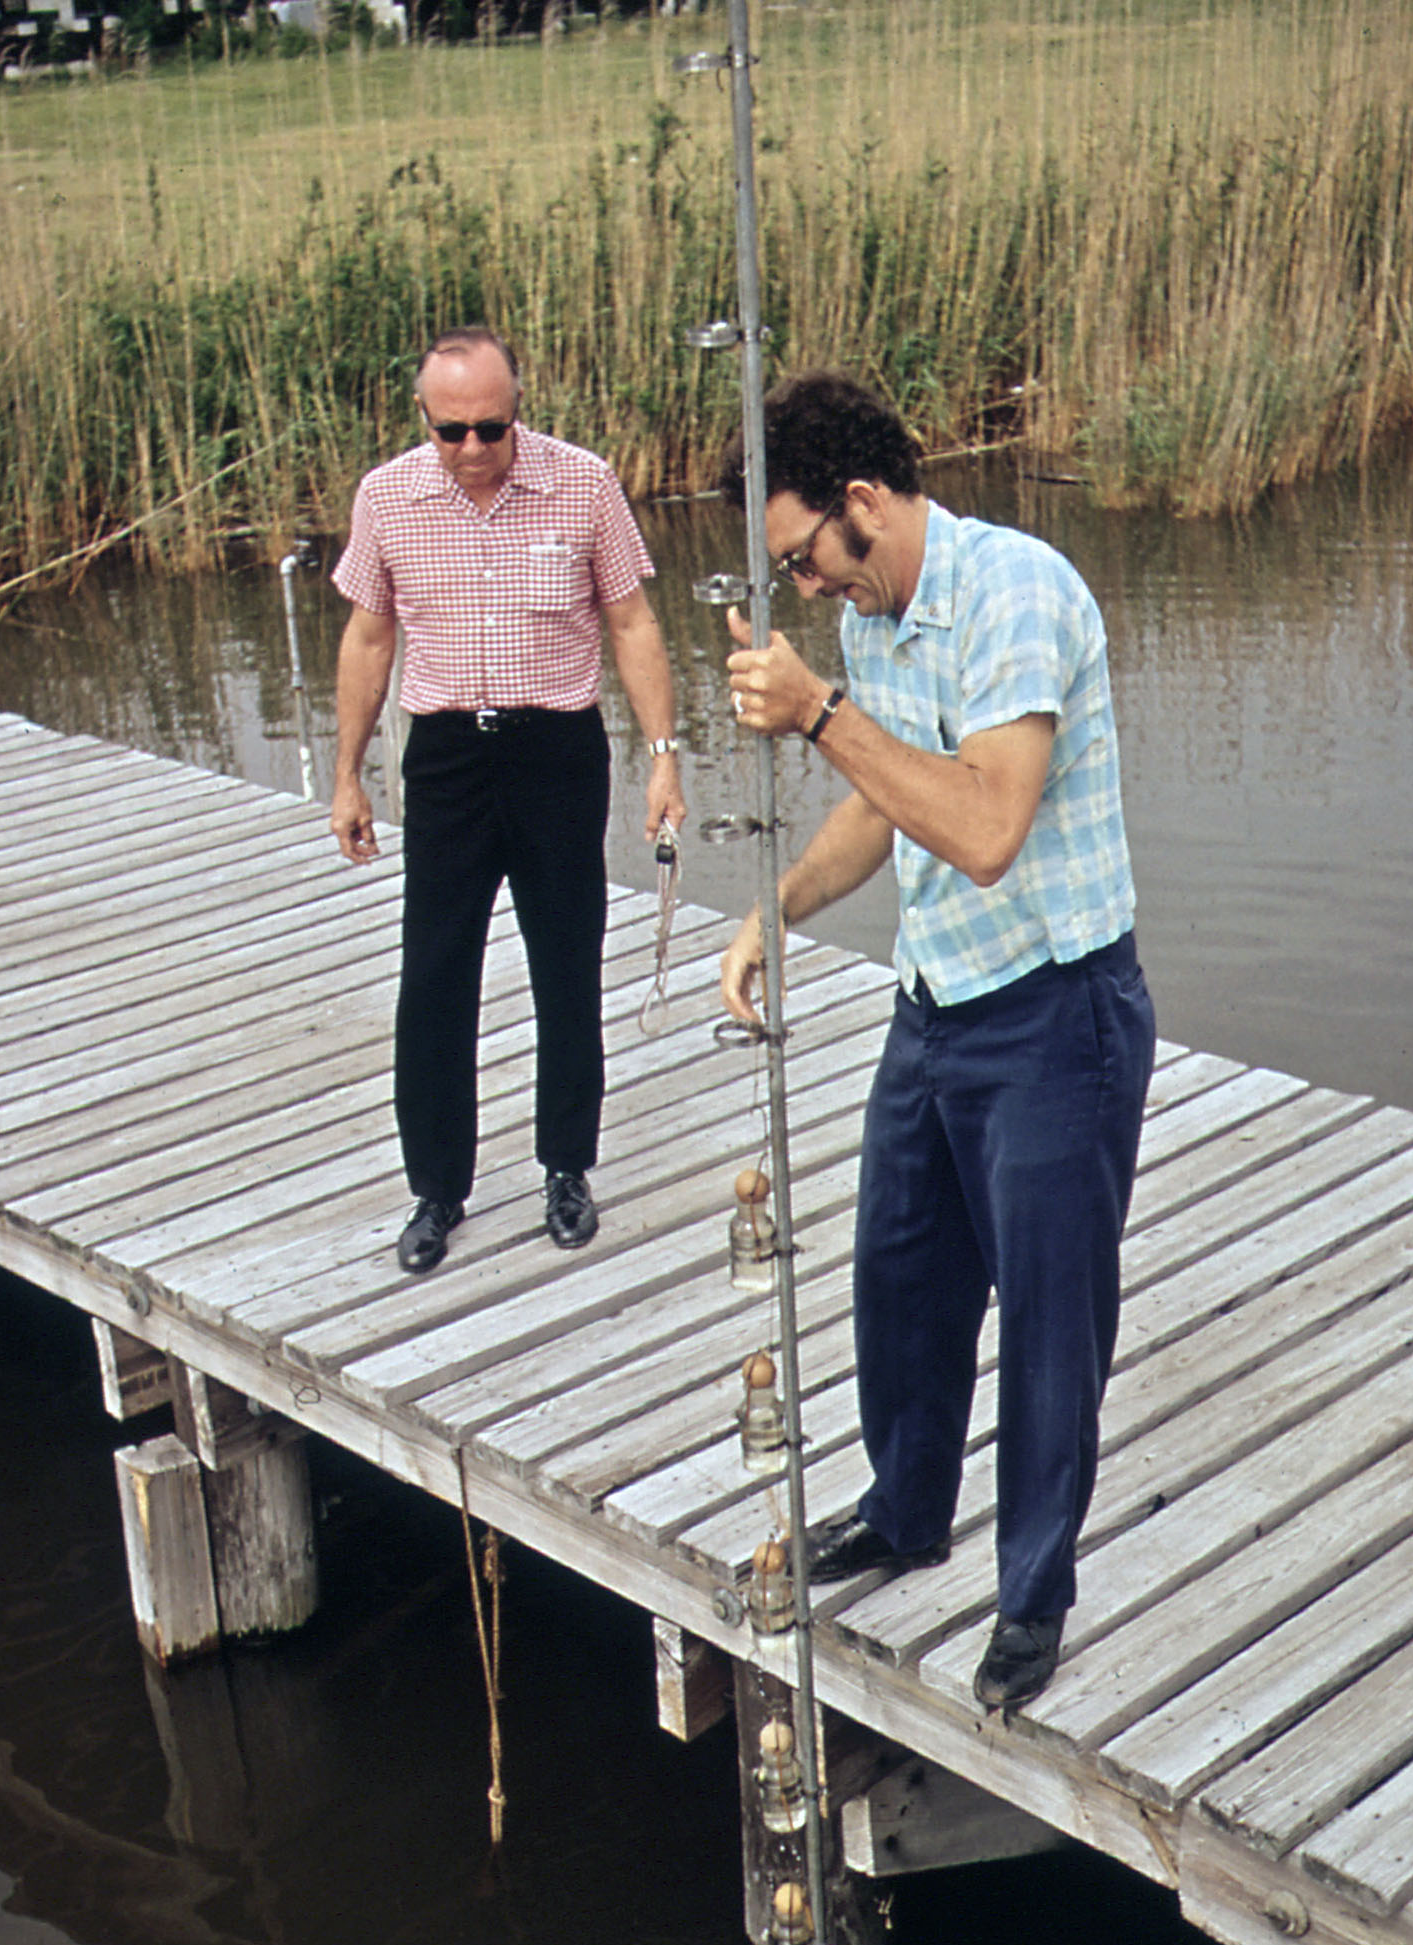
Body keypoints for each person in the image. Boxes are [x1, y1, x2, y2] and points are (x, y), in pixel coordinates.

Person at [718, 371, 1155, 1713]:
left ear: (864, 505)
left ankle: (1033, 1595)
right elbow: (884, 803)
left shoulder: (1012, 595)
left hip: (1054, 1010)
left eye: (805, 557)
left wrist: (816, 714)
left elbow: (977, 828)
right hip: (938, 1007)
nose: (805, 588)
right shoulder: (883, 616)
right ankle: (908, 1509)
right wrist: (774, 910)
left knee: (1048, 1321)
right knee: (899, 1277)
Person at [330, 327, 687, 1275]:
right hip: (448, 756)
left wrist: (662, 758)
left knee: (566, 965)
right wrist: (347, 774)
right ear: (425, 420)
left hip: (556, 753)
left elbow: (632, 622)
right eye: (454, 432)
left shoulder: (583, 483)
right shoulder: (386, 498)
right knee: (434, 976)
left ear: (517, 410)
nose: (476, 449)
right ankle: (435, 1190)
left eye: (494, 426)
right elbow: (369, 641)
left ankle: (566, 1169)